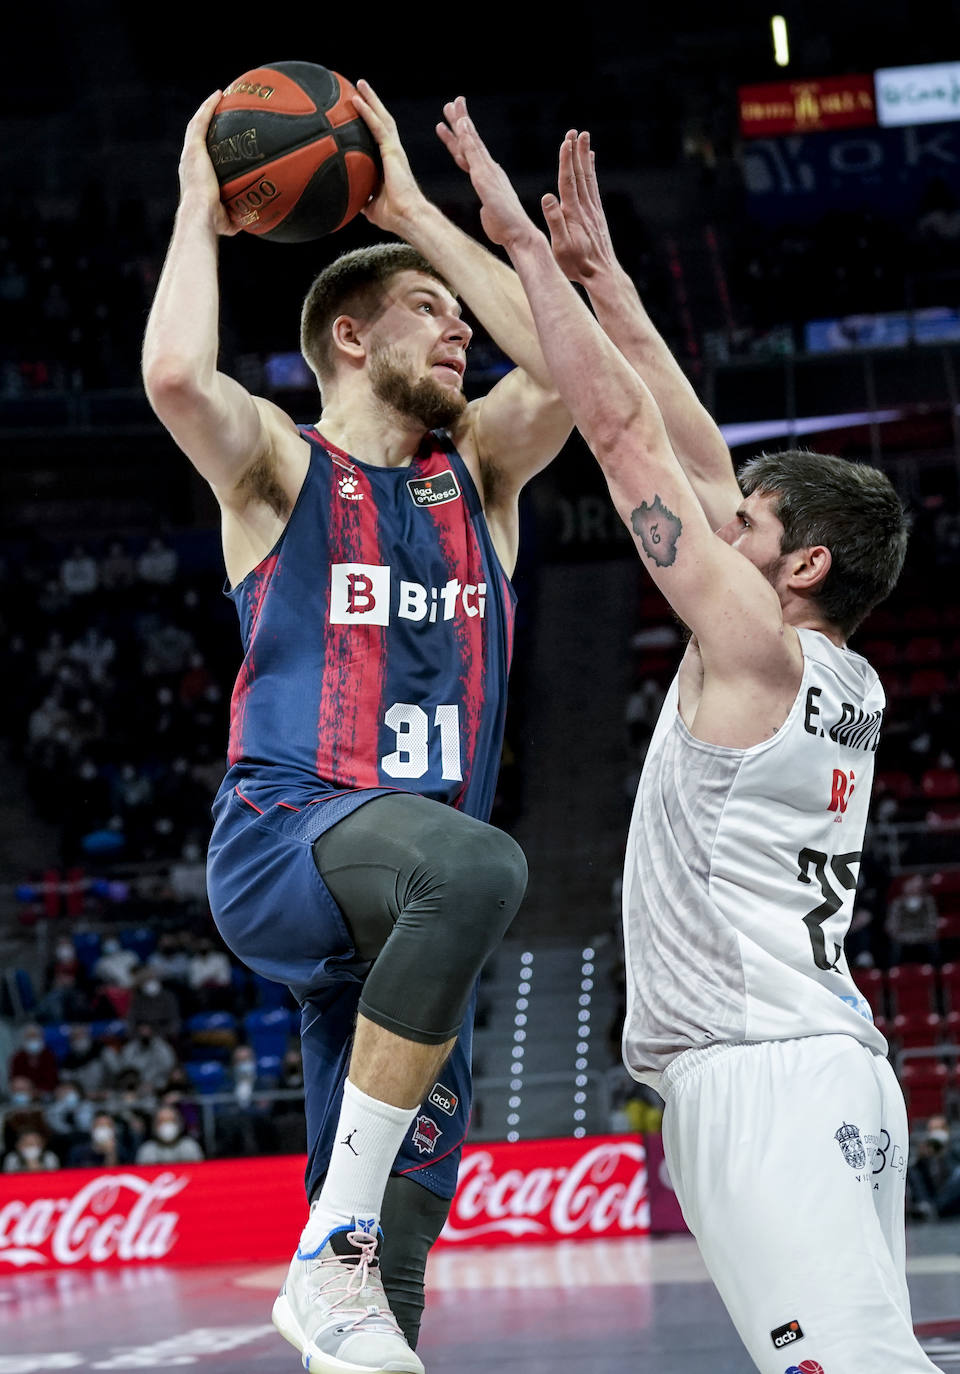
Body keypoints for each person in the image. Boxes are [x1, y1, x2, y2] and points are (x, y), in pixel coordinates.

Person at [446, 107, 941, 1372]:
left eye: (752, 528)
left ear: (803, 565)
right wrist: (608, 280)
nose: (726, 526)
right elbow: (698, 450)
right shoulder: (838, 674)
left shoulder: (755, 651)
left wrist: (523, 250)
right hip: (824, 1066)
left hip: (765, 1076)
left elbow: (625, 439)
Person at [141, 81, 571, 1374]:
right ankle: (328, 1237)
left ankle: (343, 1260)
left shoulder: (481, 473)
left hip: (406, 919)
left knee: (394, 1274)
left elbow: (568, 365)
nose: (460, 331)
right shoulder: (279, 467)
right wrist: (195, 207)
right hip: (286, 839)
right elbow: (176, 375)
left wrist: (421, 217)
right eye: (430, 310)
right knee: (480, 864)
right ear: (347, 333)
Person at [907, 1114, 960, 1220]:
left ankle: (933, 1209)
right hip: (934, 1206)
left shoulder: (958, 1153)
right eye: (932, 1129)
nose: (935, 1133)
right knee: (912, 1168)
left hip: (958, 1209)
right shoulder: (924, 1157)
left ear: (947, 1131)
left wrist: (943, 1154)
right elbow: (919, 1183)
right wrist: (922, 1158)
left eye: (939, 1129)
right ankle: (929, 1208)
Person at [885, 872, 941, 967]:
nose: (914, 886)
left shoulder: (928, 902)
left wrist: (924, 935)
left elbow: (932, 922)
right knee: (894, 948)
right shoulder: (897, 903)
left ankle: (935, 971)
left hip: (923, 936)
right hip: (902, 937)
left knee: (934, 945)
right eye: (911, 883)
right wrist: (900, 936)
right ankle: (893, 971)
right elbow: (892, 924)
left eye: (917, 884)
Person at [135, 1103, 205, 1165]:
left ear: (179, 1124)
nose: (167, 1125)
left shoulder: (190, 1147)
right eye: (162, 1121)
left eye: (171, 1120)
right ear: (154, 1126)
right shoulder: (147, 1150)